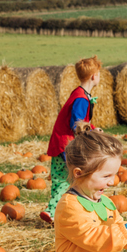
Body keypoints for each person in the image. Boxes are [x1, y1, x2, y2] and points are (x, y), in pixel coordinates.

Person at [40, 55, 102, 225]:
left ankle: (57, 211)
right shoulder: (81, 98)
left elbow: (82, 121)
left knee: (65, 179)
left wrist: (94, 129)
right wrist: (89, 135)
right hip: (66, 145)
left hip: (62, 142)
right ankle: (60, 211)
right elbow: (77, 124)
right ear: (93, 76)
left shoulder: (79, 93)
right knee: (76, 178)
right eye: (99, 73)